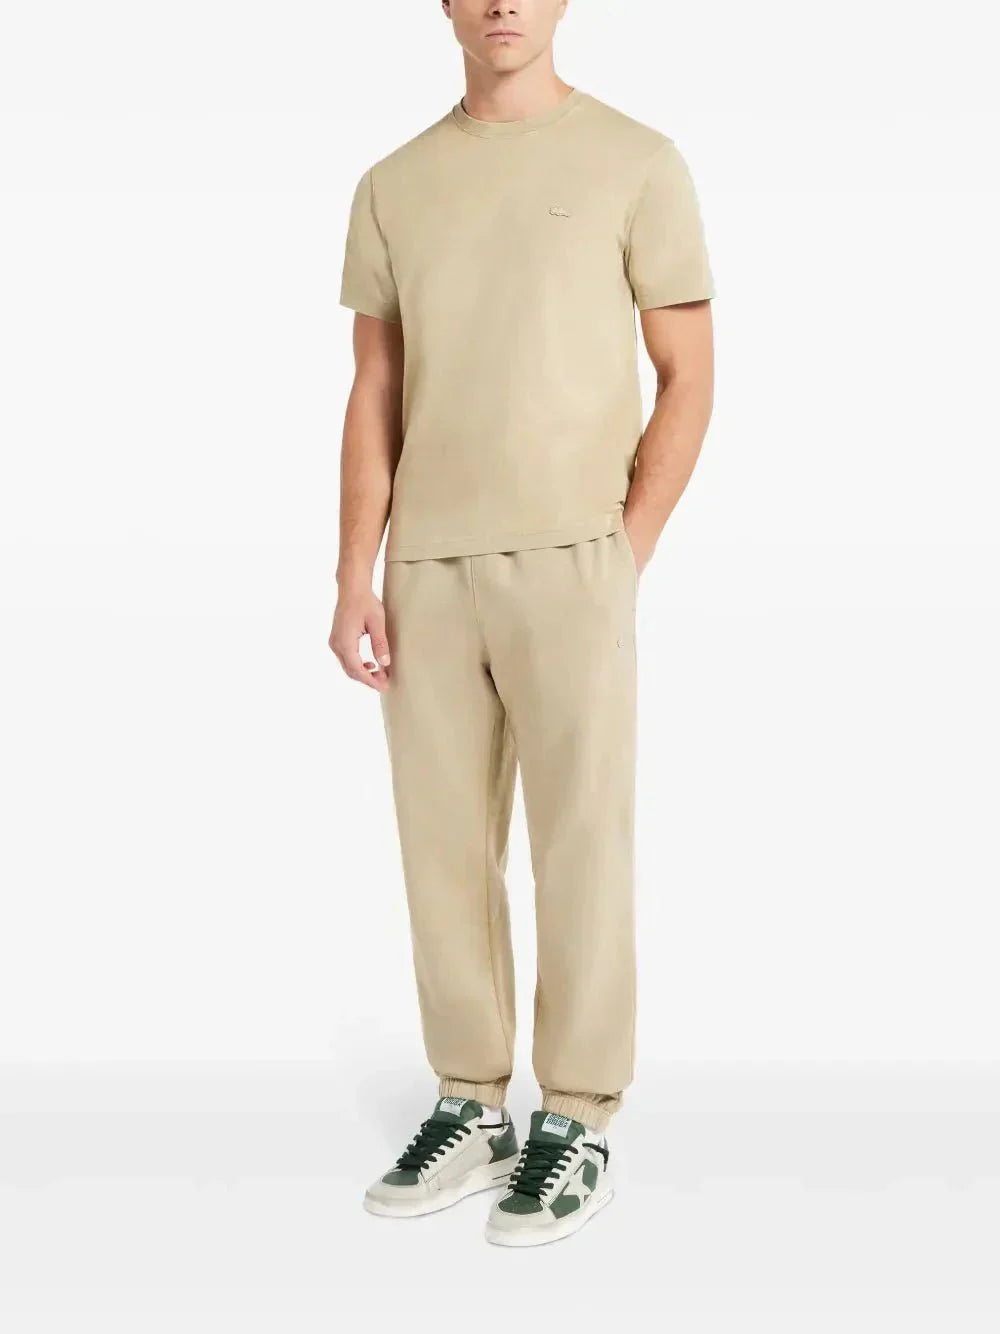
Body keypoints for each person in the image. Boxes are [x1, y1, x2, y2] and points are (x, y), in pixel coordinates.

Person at [330, 0, 714, 1247]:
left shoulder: (636, 161)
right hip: (428, 564)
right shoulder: (392, 185)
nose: (502, 2)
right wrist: (353, 573)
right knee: (440, 848)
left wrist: (623, 547)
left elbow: (689, 373)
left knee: (580, 840)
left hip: (572, 559)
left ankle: (581, 1113)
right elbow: (375, 388)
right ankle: (471, 1100)